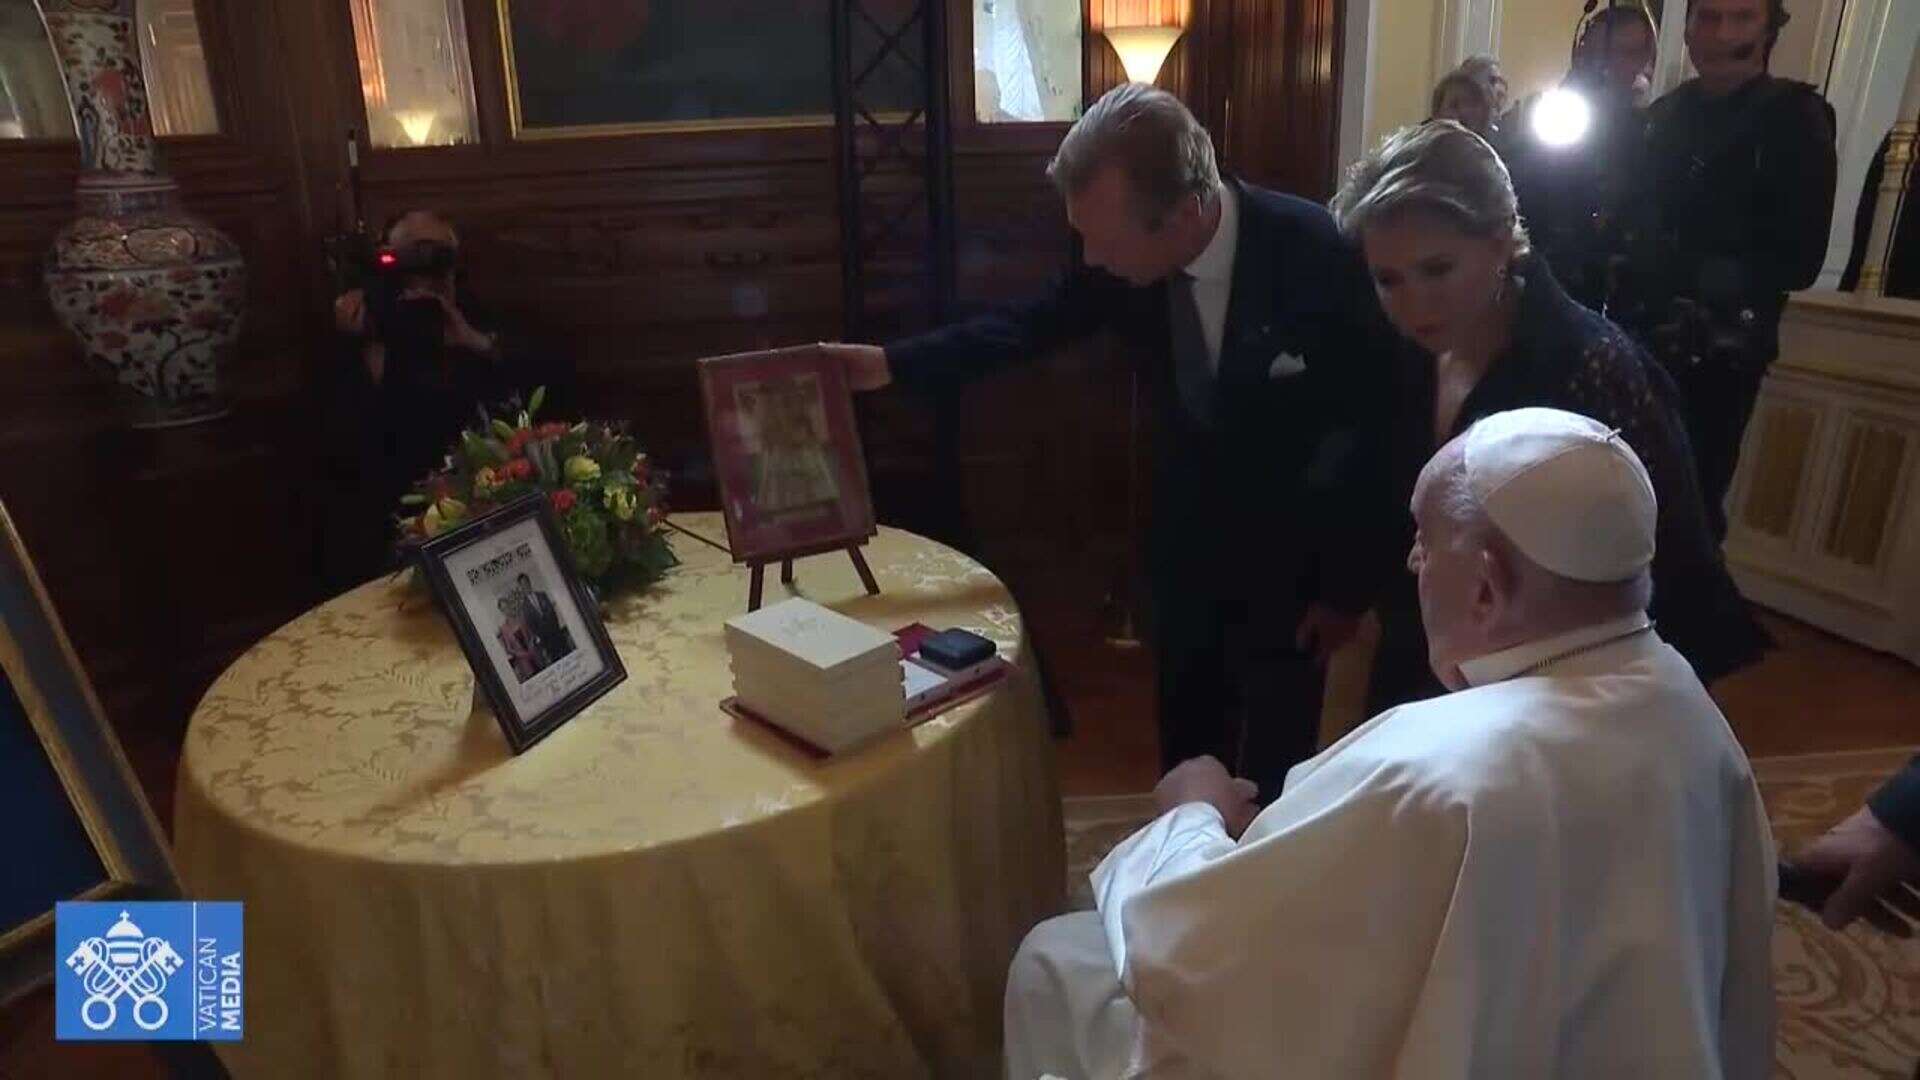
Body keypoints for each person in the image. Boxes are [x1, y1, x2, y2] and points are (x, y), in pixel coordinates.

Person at [1004, 407, 1777, 1079]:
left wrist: (1189, 814)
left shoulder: (1431, 765)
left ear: (1484, 585)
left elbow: (1190, 965)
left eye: (1424, 539)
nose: (1411, 561)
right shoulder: (1684, 699)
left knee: (1052, 959)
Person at [821, 83, 1394, 797]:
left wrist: (1346, 589)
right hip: (1183, 558)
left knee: (1277, 774)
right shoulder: (1126, 263)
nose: (1090, 259)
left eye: (1105, 240)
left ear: (1187, 213)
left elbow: (1376, 422)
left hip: (1294, 576)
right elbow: (1028, 327)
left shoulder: (1317, 252)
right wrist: (889, 366)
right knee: (1187, 764)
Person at [1328, 120, 1765, 713]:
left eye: (1437, 270)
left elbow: (1672, 563)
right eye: (1389, 279)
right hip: (1429, 666)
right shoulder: (1404, 350)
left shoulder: (1593, 367)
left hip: (1555, 695)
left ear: (1504, 240)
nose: (1413, 303)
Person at [1615, 0, 1838, 542]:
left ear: (1768, 29)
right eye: (1708, 17)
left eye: (1740, 17)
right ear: (1687, 27)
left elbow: (1800, 258)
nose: (1720, 34)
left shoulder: (1795, 117)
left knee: (1689, 510)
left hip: (1720, 349)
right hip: (1638, 336)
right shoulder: (1662, 117)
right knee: (1618, 498)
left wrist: (1690, 269)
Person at [1501, 2, 1659, 310]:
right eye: (1603, 50)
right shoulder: (1551, 108)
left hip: (1613, 278)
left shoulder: (1649, 126)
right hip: (1544, 261)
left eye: (1627, 53)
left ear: (1643, 59)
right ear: (1583, 49)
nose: (1610, 63)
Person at [515, 573, 573, 660]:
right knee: (556, 659)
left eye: (526, 582)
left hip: (556, 631)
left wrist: (555, 627)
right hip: (545, 639)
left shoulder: (542, 595)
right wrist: (542, 636)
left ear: (529, 582)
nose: (525, 585)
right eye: (522, 584)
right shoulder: (524, 607)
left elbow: (552, 612)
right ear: (521, 587)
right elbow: (531, 625)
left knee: (568, 653)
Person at [1429, 69, 1496, 140]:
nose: (1462, 112)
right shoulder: (1421, 146)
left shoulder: (1495, 147)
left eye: (1470, 105)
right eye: (1454, 105)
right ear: (1437, 112)